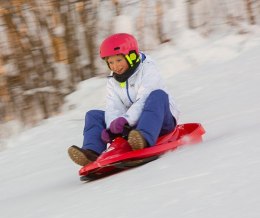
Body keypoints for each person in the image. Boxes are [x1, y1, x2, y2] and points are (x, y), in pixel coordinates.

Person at [68, 33, 179, 166]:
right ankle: (91, 152)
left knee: (158, 95)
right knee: (93, 115)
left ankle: (143, 139)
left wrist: (125, 120)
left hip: (160, 120)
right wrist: (111, 127)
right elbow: (113, 106)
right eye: (110, 62)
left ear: (131, 56)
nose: (115, 66)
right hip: (131, 127)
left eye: (119, 60)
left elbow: (143, 99)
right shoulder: (113, 79)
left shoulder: (148, 69)